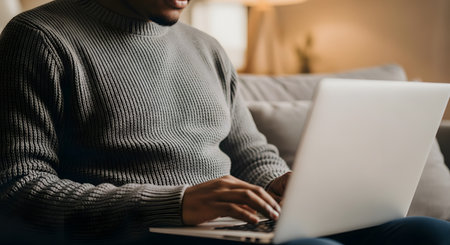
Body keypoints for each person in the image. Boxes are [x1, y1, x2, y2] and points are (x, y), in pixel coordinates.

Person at [0, 0, 448, 244]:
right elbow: (19, 187)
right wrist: (176, 203)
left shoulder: (207, 48)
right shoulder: (39, 37)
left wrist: (281, 184)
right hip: (144, 229)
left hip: (235, 226)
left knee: (430, 234)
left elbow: (250, 153)